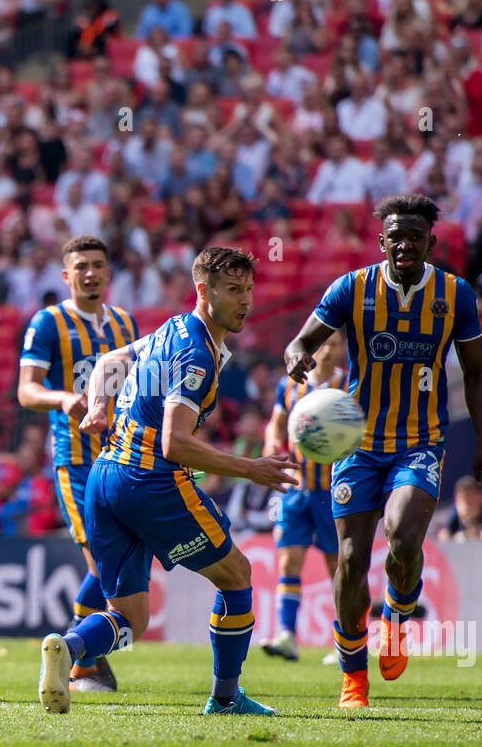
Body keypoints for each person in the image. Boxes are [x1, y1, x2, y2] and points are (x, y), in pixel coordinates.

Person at [38, 246, 297, 715]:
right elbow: (174, 445)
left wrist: (99, 405)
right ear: (204, 291)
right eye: (233, 290)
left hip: (105, 478)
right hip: (151, 484)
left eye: (249, 290)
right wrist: (250, 468)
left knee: (129, 617)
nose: (245, 301)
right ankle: (224, 698)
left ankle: (70, 650)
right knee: (237, 576)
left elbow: (108, 360)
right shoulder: (198, 353)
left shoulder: (173, 328)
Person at [283, 194, 482, 708]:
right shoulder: (352, 289)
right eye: (395, 235)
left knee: (403, 539)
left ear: (430, 242)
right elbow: (302, 342)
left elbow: (475, 373)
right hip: (355, 444)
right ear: (382, 240)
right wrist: (297, 358)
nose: (404, 243)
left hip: (420, 441)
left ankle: (398, 616)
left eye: (415, 235)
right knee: (353, 560)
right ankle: (353, 678)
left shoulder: (455, 295)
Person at [17, 235, 139, 693]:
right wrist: (63, 397)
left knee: (114, 561)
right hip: (77, 462)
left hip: (125, 459)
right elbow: (26, 390)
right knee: (103, 559)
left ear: (108, 273)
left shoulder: (126, 324)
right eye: (81, 266)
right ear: (66, 276)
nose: (90, 273)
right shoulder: (48, 323)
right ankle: (81, 658)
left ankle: (75, 648)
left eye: (98, 265)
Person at [257, 331, 347, 661]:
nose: (328, 350)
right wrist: (271, 444)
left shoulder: (348, 386)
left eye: (335, 344)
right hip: (297, 487)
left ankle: (345, 639)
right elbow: (277, 424)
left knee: (337, 565)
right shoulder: (290, 384)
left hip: (334, 489)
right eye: (323, 343)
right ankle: (287, 636)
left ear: (342, 350)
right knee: (288, 560)